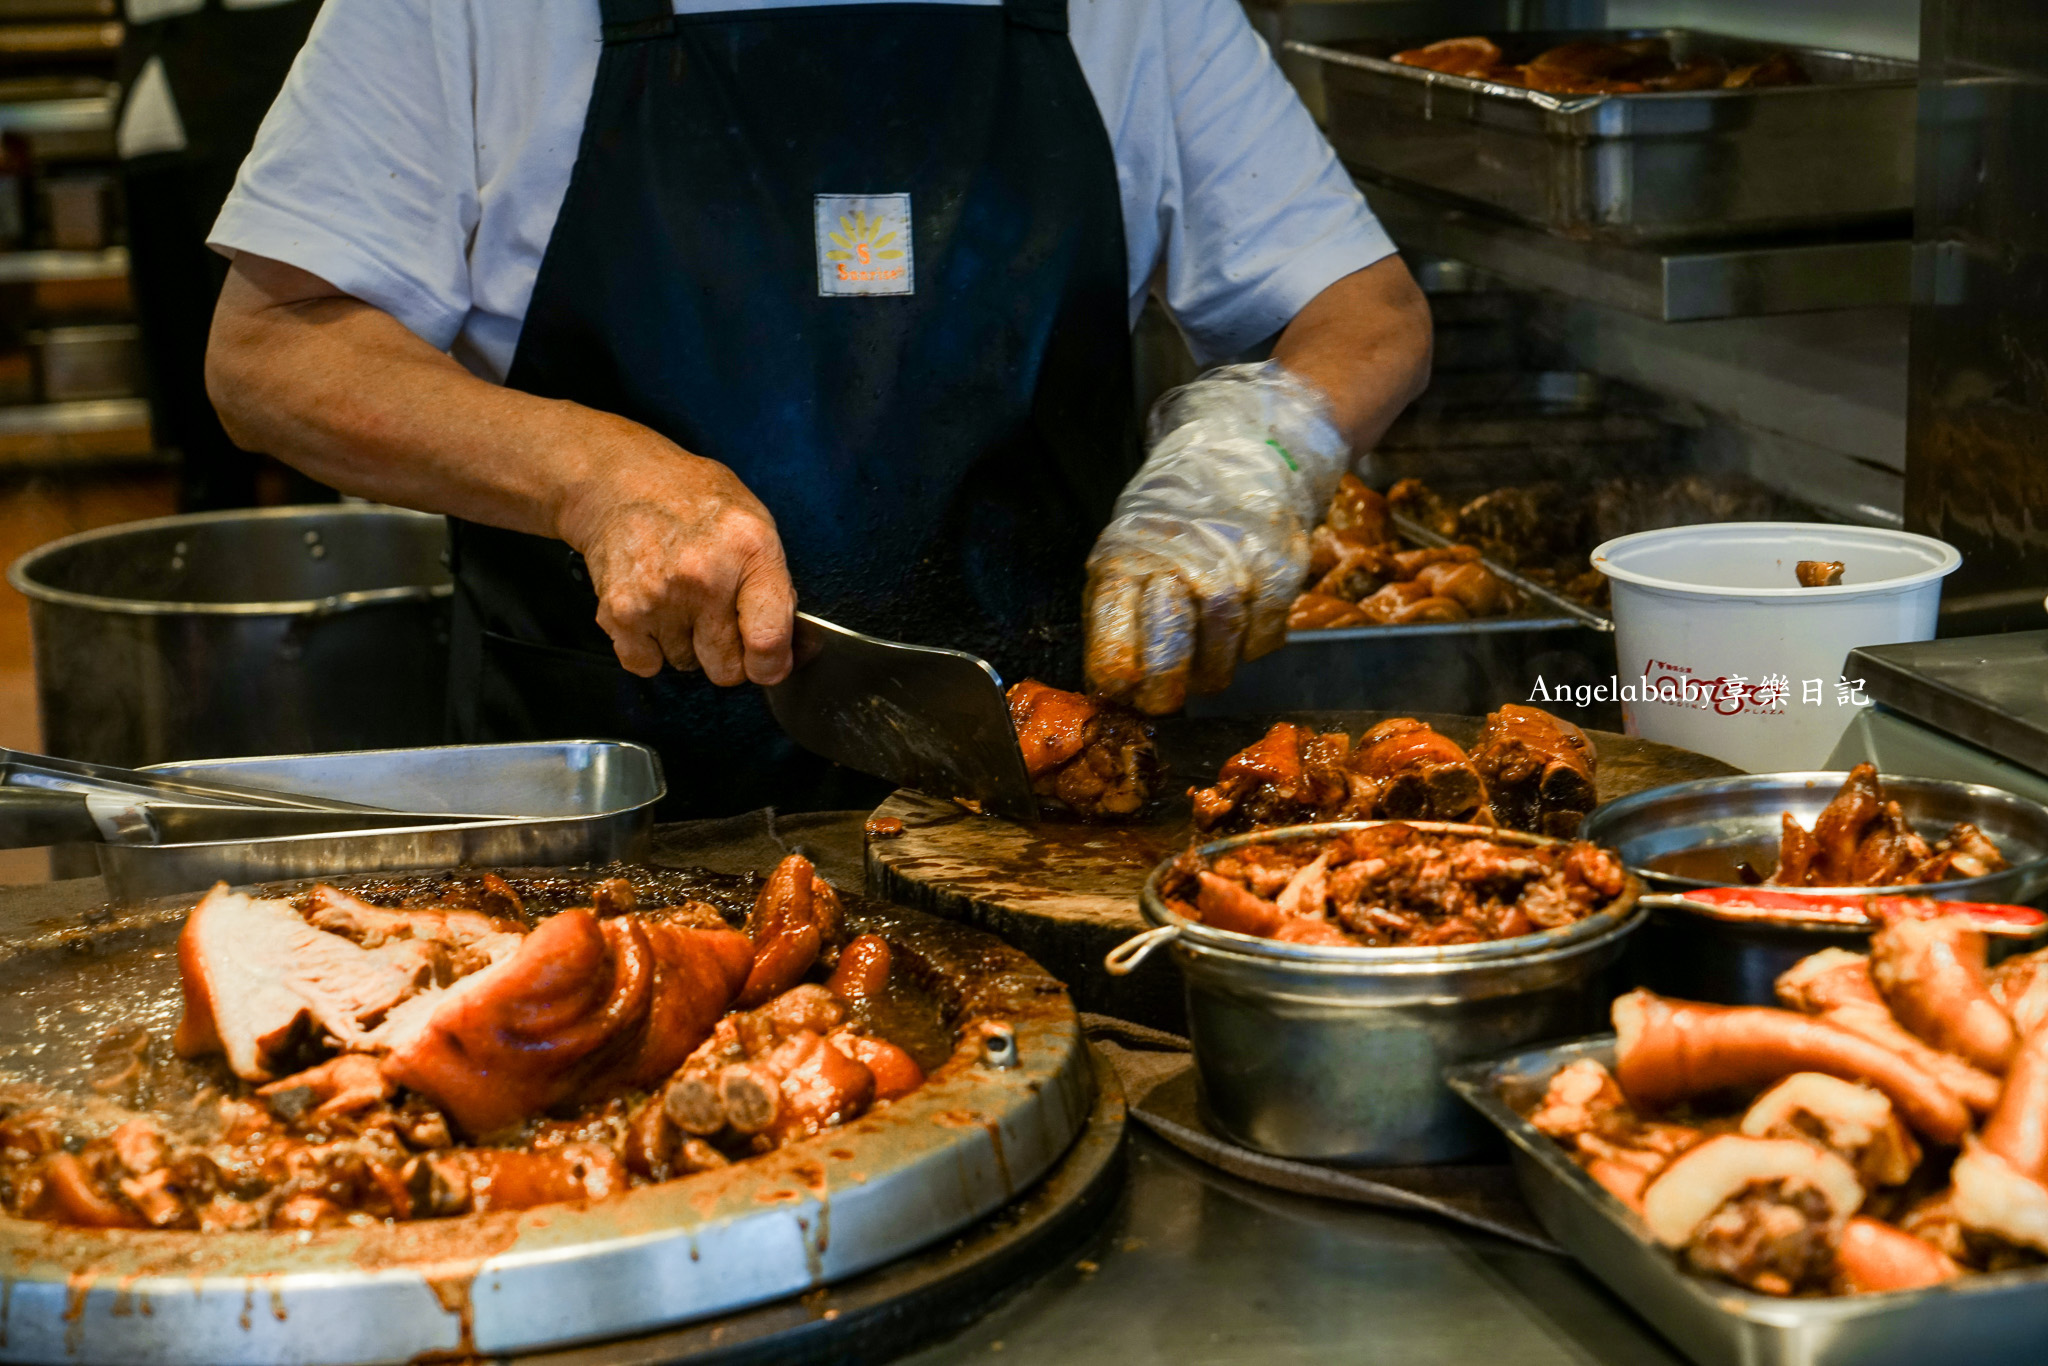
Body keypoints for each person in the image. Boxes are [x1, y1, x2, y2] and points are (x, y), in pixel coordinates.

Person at [204, 0, 1432, 815]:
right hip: (622, 841)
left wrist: (1250, 454)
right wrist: (593, 472)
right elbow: (273, 349)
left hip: (1039, 823)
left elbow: (1363, 308)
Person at [116, 0, 326, 510]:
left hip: (257, 92)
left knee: (292, 346)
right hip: (154, 118)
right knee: (185, 344)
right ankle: (212, 515)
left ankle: (315, 519)